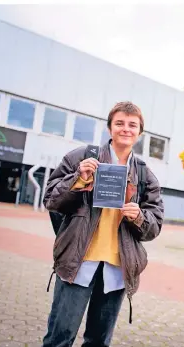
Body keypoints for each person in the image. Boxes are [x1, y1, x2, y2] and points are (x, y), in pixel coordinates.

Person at [42, 101, 164, 347]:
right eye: (119, 123)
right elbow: (51, 199)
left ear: (139, 133)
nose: (125, 129)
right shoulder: (81, 157)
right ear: (110, 128)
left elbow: (155, 224)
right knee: (59, 337)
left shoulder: (143, 174)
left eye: (132, 125)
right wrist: (78, 179)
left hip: (117, 268)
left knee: (98, 341)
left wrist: (138, 216)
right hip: (78, 262)